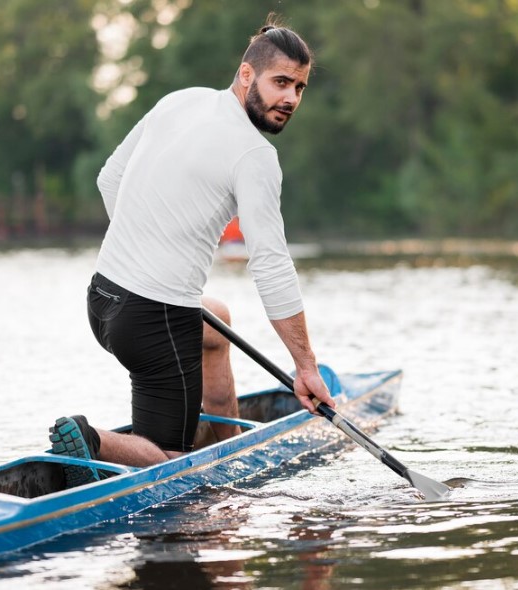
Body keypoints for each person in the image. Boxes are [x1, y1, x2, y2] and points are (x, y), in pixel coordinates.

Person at [48, 17, 336, 487]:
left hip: (102, 300)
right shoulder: (255, 156)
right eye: (280, 82)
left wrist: (145, 250)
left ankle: (227, 442)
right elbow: (271, 265)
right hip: (152, 321)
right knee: (171, 461)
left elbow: (109, 180)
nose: (291, 98)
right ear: (247, 75)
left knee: (215, 318)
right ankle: (93, 438)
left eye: (300, 88)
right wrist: (305, 368)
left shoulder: (178, 101)